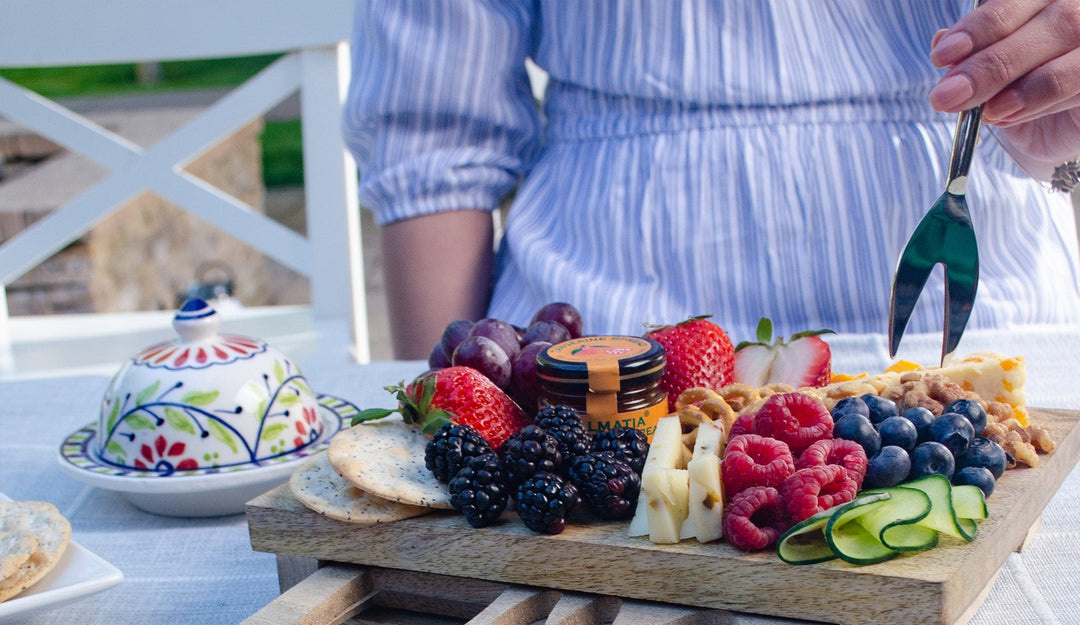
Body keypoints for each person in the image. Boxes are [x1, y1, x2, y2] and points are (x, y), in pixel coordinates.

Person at [342, 1, 1080, 360]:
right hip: (610, 338)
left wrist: (1060, 111)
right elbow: (433, 137)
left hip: (983, 314)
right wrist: (449, 418)